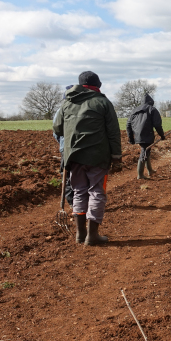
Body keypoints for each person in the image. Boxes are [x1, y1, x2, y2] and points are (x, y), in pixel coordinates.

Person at [53, 71, 122, 246]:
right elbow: (113, 132)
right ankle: (92, 235)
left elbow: (58, 128)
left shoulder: (67, 102)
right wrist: (116, 157)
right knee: (97, 191)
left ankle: (80, 234)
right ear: (97, 85)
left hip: (73, 157)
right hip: (98, 157)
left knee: (79, 192)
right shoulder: (103, 102)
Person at [126, 93, 165, 180]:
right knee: (144, 152)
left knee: (146, 151)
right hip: (147, 135)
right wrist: (162, 135)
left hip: (137, 135)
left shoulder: (134, 110)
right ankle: (140, 175)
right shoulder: (152, 109)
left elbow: (128, 125)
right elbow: (157, 124)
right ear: (151, 102)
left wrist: (131, 138)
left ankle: (150, 170)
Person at [52, 85, 74, 206]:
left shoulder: (60, 111)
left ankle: (72, 203)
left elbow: (56, 132)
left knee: (67, 176)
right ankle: (81, 203)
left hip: (65, 149)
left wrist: (62, 143)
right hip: (82, 148)